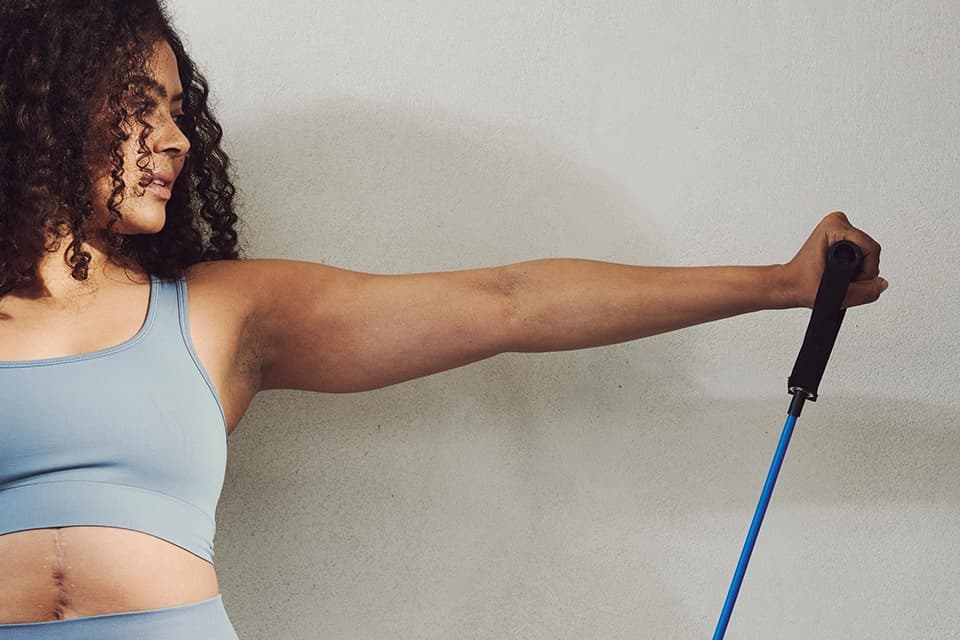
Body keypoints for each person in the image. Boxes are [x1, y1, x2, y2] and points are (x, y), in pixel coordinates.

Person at [0, 1, 888, 638]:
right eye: (142, 104)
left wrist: (778, 283)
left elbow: (511, 301)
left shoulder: (220, 314)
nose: (177, 140)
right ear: (52, 101)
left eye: (179, 111)